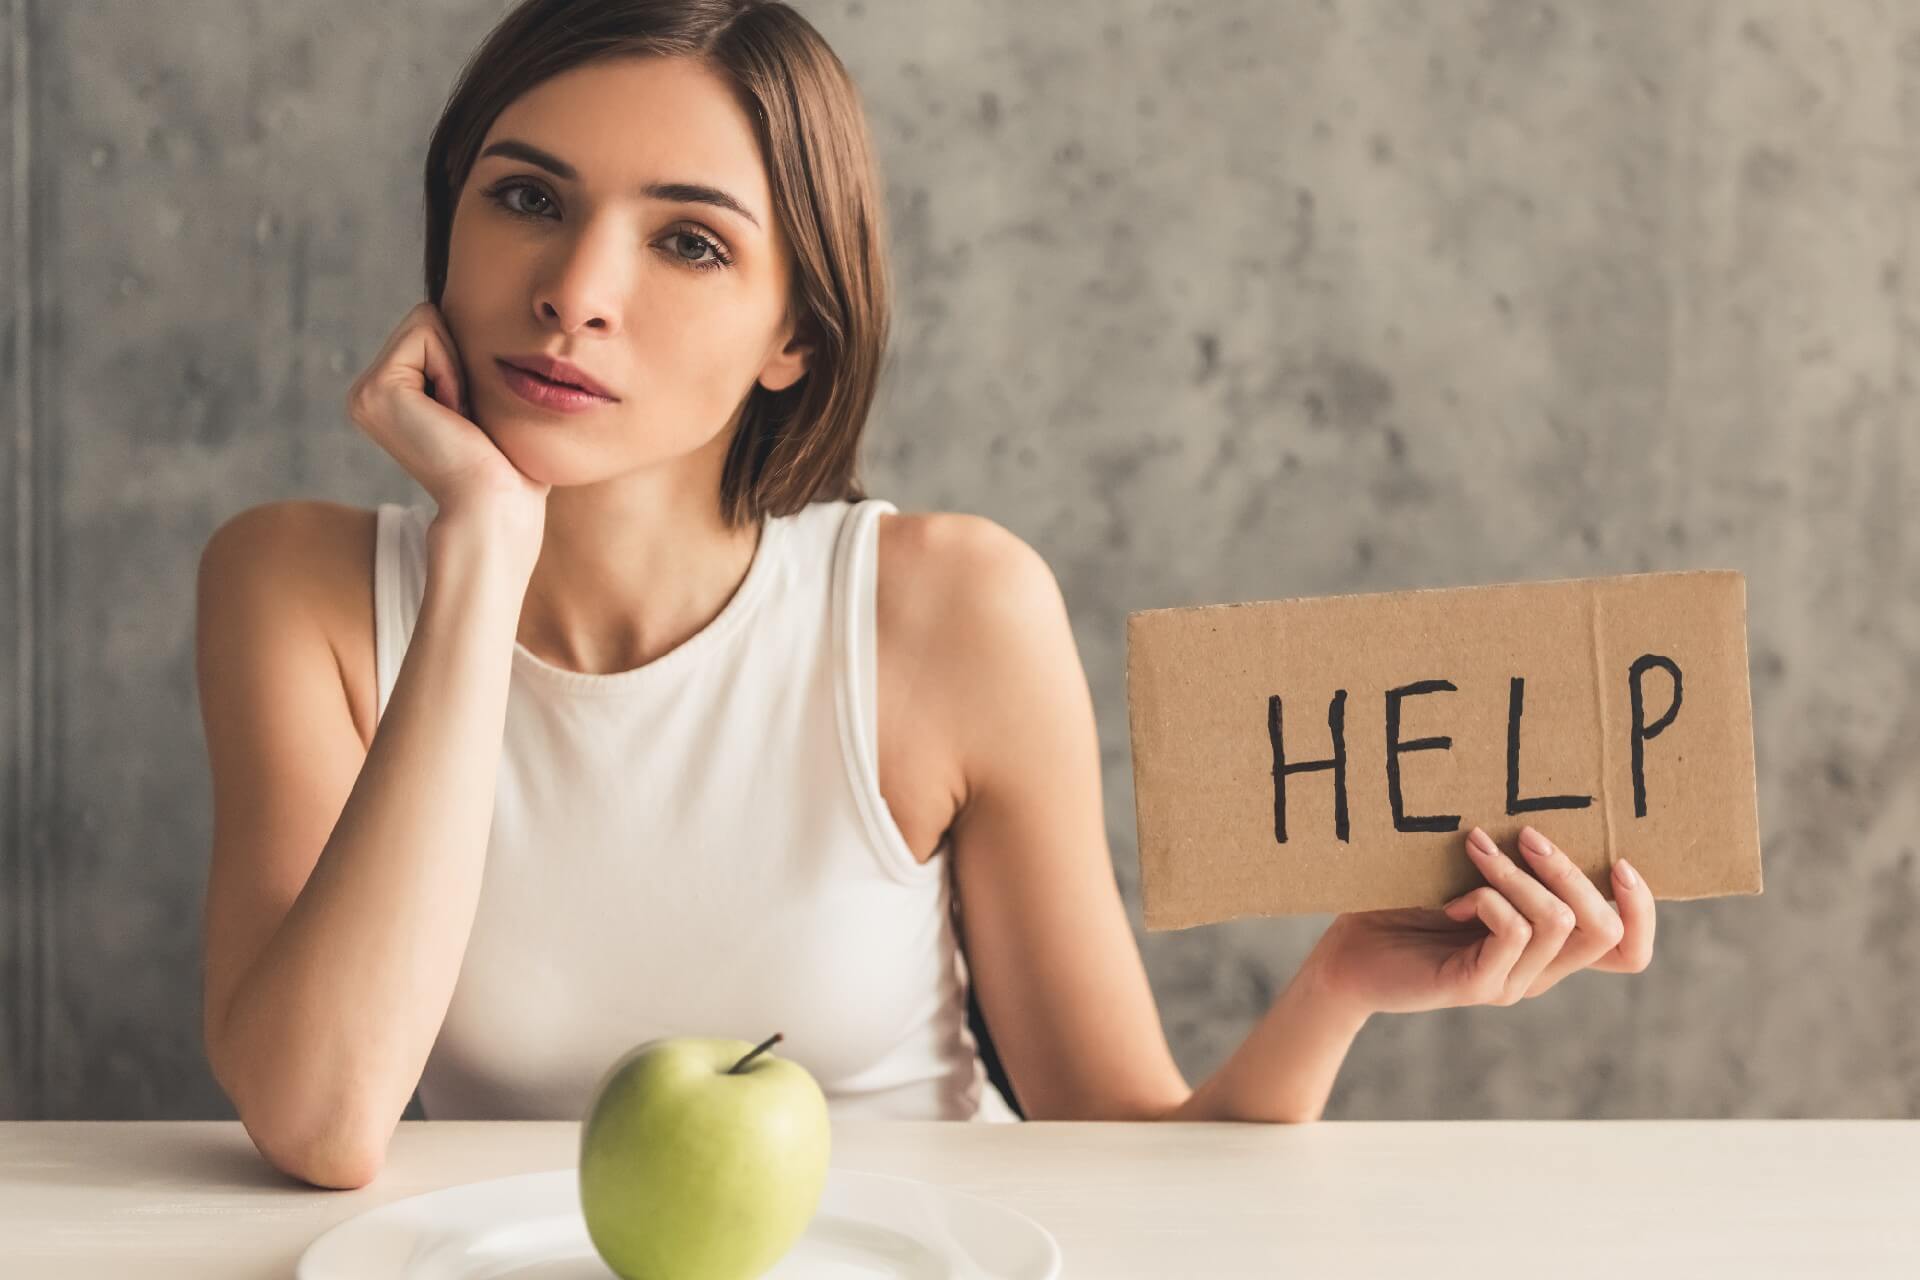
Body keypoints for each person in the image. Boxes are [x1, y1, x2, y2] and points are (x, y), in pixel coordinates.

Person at [194, 0, 1656, 1191]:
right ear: (450, 225)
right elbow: (320, 1120)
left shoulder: (951, 612)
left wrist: (1335, 989)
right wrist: (482, 554)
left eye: (689, 239)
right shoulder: (295, 590)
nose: (576, 286)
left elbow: (1124, 1152)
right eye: (527, 197)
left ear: (797, 341)